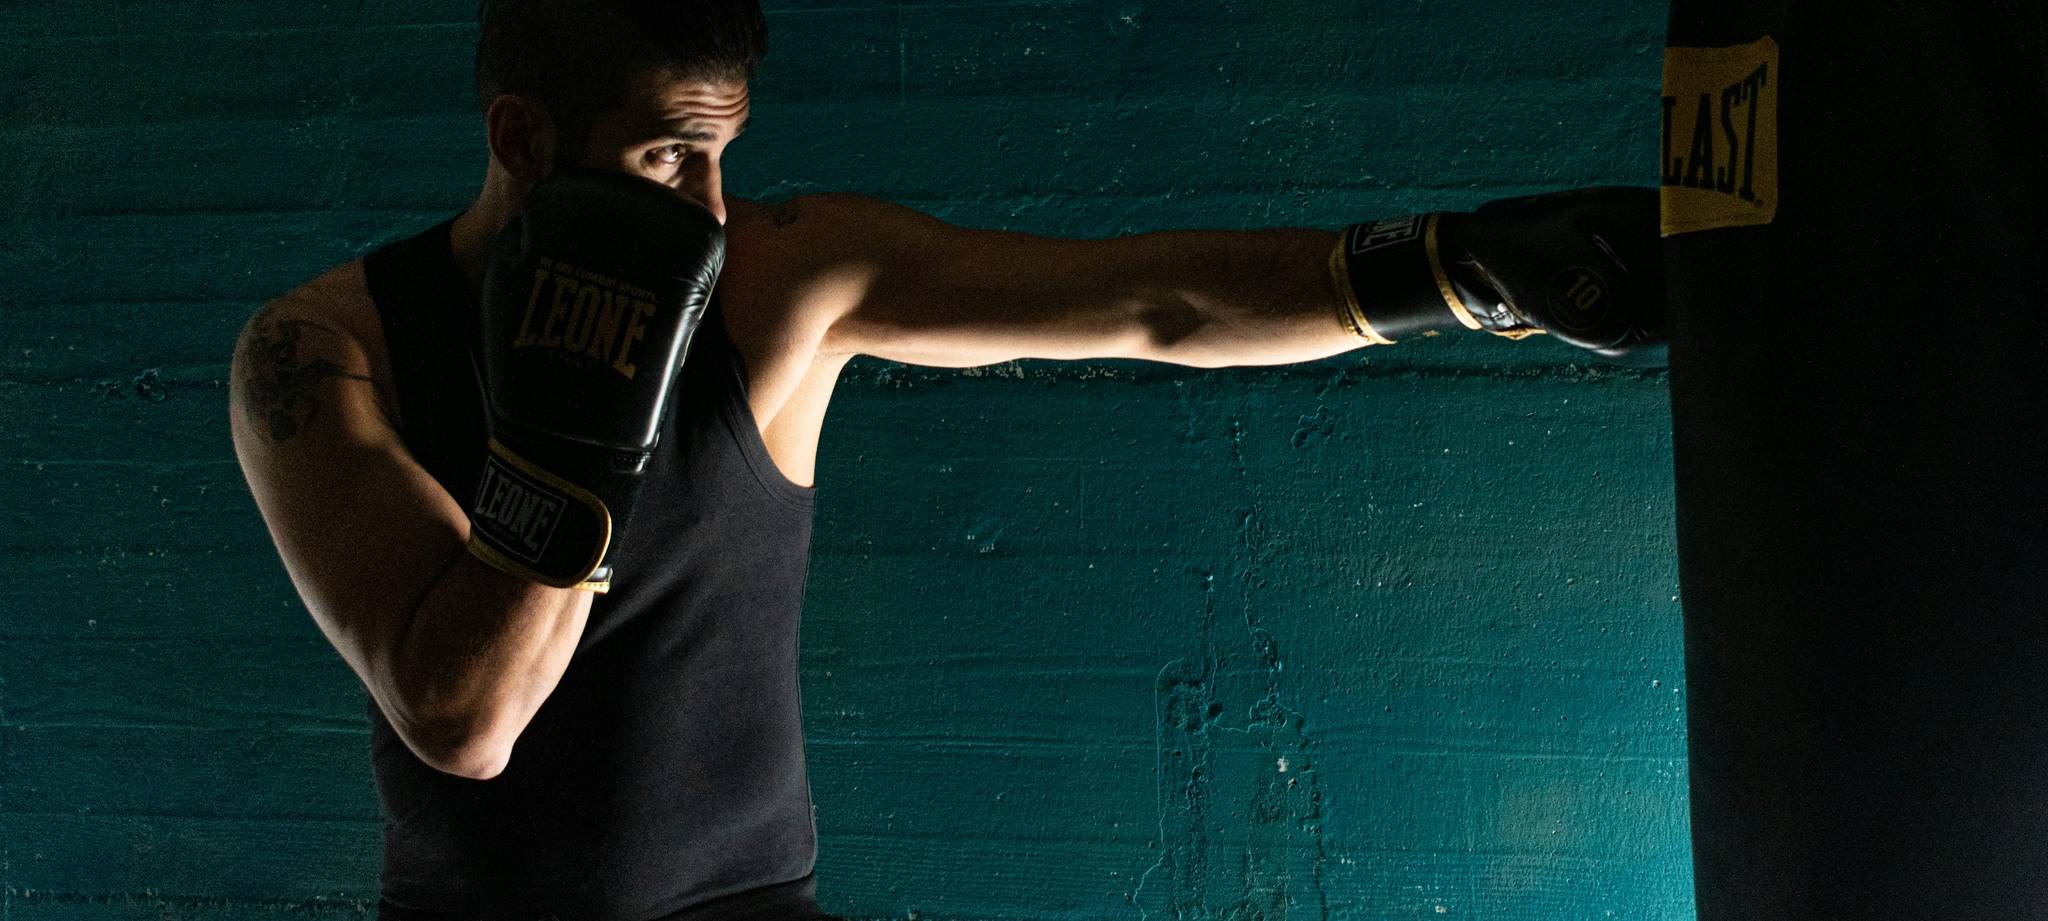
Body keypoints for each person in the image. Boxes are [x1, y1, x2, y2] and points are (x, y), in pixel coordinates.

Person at [226, 1, 1662, 918]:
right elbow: (467, 720)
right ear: (519, 136)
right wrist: (573, 425)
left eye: (725, 156)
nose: (710, 208)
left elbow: (1151, 304)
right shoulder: (323, 350)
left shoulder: (778, 286)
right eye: (668, 157)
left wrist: (1459, 271)